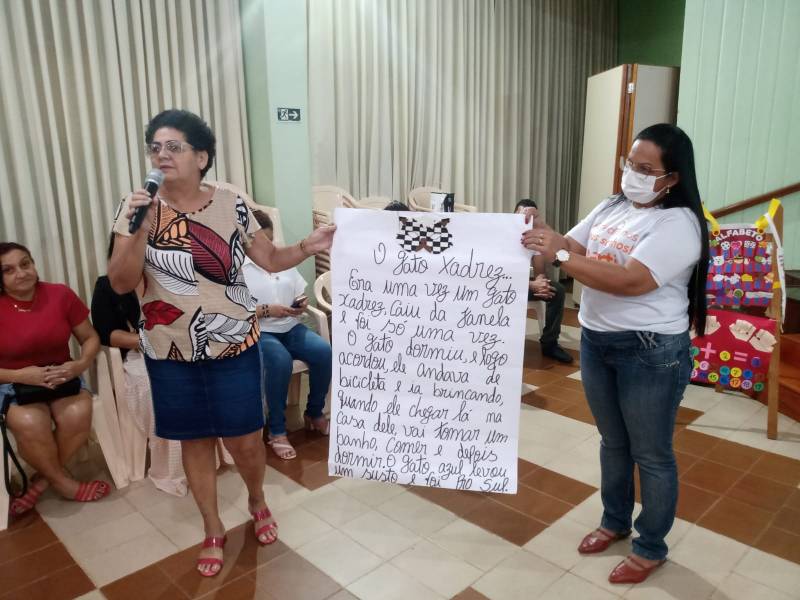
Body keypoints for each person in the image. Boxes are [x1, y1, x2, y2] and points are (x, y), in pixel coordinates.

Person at [107, 109, 335, 577]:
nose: (162, 155)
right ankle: (212, 526)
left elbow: (270, 259)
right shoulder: (135, 207)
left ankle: (257, 499)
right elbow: (120, 282)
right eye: (155, 147)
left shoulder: (231, 203)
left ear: (202, 156)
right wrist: (136, 230)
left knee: (246, 441)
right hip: (170, 349)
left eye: (174, 146)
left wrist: (308, 246)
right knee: (194, 439)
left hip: (233, 343)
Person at [522, 124, 708, 585]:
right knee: (613, 442)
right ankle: (615, 521)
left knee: (652, 453)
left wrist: (562, 257)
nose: (633, 174)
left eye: (646, 169)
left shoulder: (678, 223)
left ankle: (651, 546)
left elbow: (632, 281)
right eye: (630, 163)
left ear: (673, 177)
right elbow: (572, 246)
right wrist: (539, 233)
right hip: (597, 340)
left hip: (650, 350)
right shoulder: (612, 205)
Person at [91, 235, 234, 497]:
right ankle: (176, 466)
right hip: (140, 354)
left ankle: (212, 452)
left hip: (185, 348)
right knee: (163, 390)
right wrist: (148, 341)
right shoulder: (108, 285)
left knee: (215, 376)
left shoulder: (173, 278)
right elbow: (107, 334)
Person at [0, 242, 108, 516]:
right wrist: (21, 375)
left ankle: (42, 482)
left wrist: (80, 364)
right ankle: (64, 484)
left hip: (62, 376)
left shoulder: (60, 295)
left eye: (25, 264)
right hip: (12, 382)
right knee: (31, 423)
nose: (21, 273)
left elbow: (90, 338)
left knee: (77, 414)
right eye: (8, 270)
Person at [242, 211, 332, 460]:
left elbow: (298, 292)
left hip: (290, 326)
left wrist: (300, 304)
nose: (269, 246)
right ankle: (277, 430)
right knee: (279, 361)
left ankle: (314, 413)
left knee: (324, 352)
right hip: (260, 331)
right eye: (263, 241)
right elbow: (233, 311)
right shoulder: (238, 269)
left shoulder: (283, 260)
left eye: (271, 240)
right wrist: (266, 310)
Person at [514, 199, 573, 363]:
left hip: (524, 285)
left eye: (531, 216)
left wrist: (541, 283)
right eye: (522, 215)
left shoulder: (534, 239)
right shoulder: (504, 237)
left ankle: (550, 343)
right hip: (501, 286)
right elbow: (501, 275)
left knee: (557, 290)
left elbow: (540, 272)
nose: (526, 219)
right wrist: (531, 285)